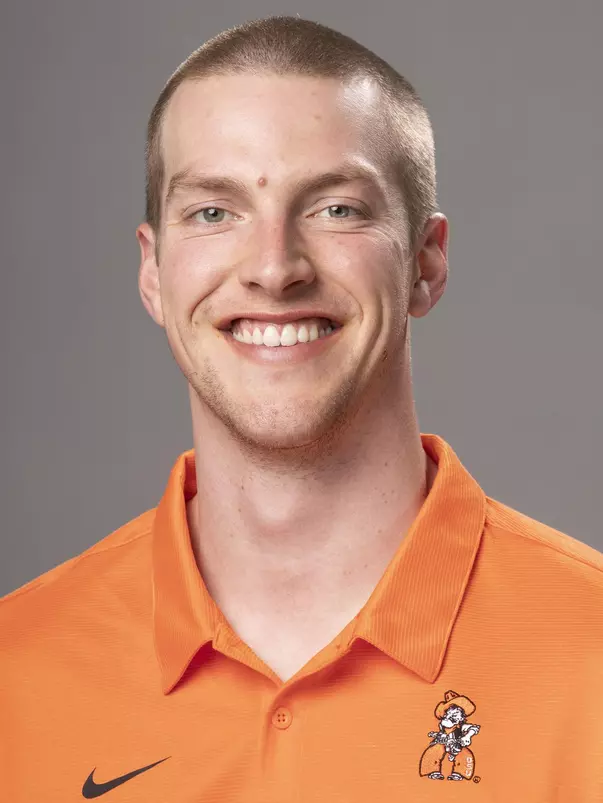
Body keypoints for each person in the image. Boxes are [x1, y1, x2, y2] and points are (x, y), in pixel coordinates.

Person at [1, 14, 602, 803]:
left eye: (336, 208)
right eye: (213, 212)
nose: (274, 267)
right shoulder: (19, 671)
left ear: (425, 262)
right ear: (153, 273)